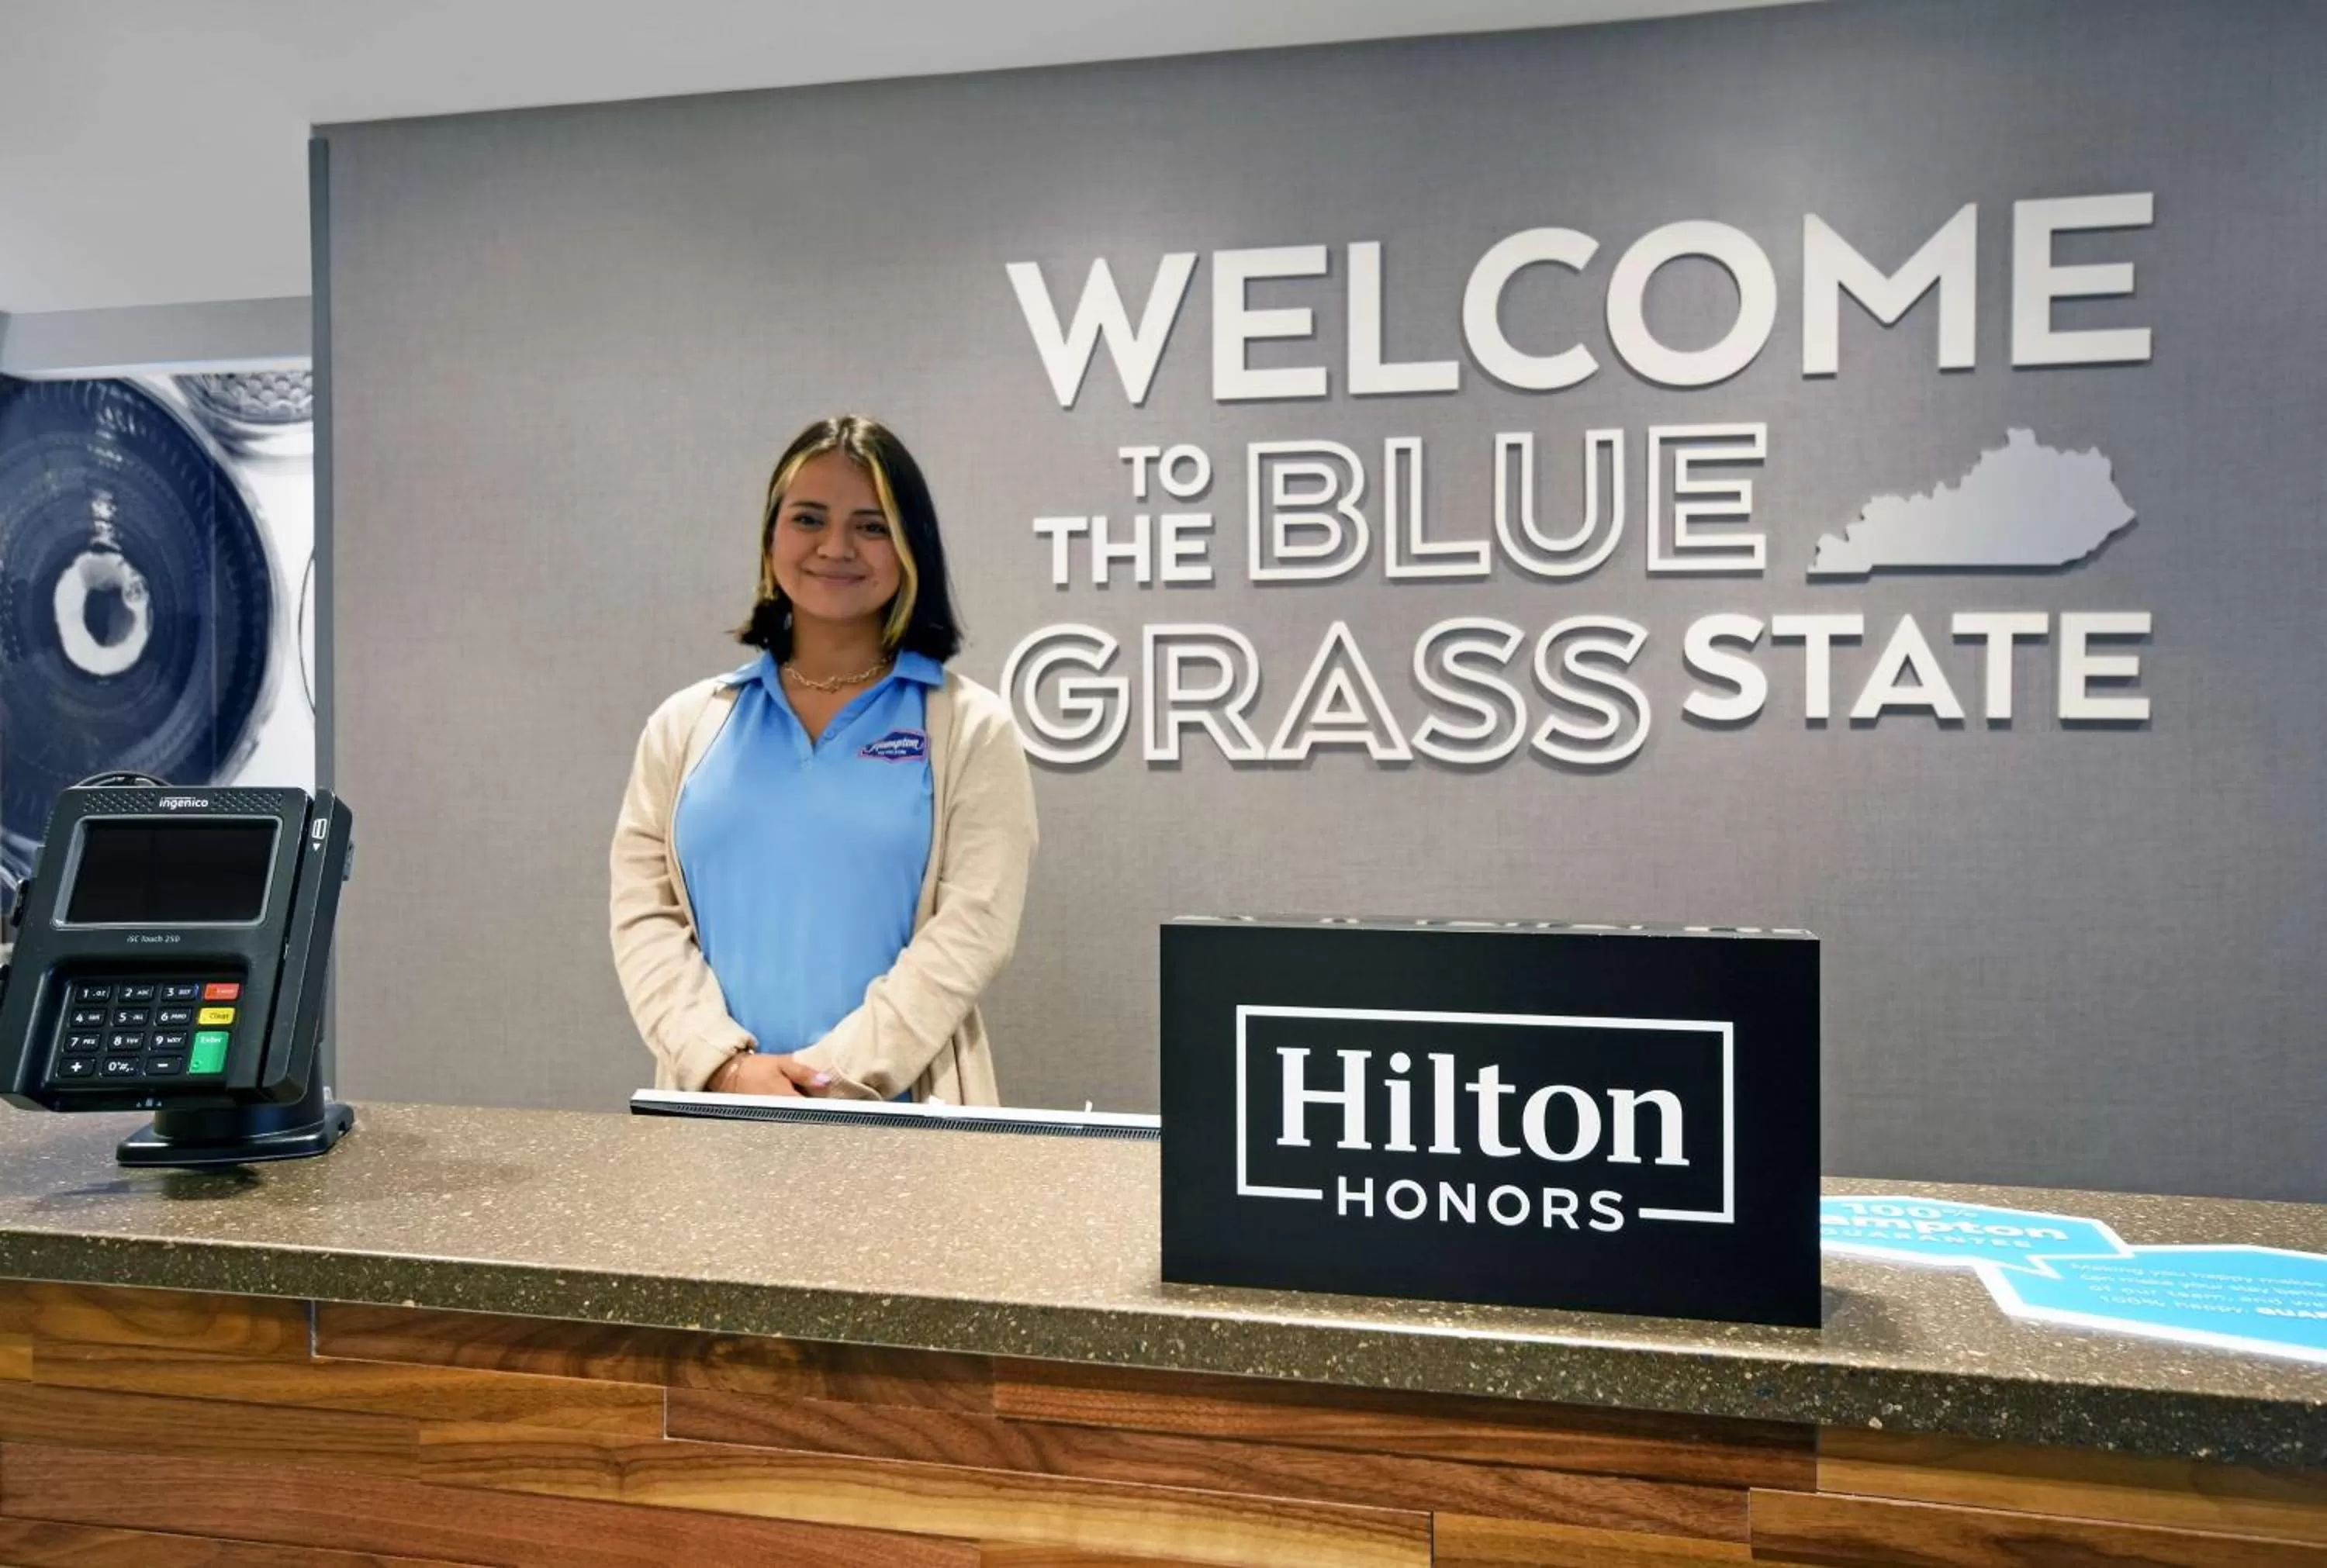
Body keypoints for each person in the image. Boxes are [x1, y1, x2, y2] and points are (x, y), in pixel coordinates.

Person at [609, 415, 1036, 1104]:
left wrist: (824, 1079)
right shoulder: (684, 727)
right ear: (771, 537)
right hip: (718, 1115)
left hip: (899, 1120)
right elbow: (645, 921)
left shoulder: (970, 729)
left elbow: (973, 933)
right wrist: (726, 1066)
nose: (836, 547)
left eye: (871, 526)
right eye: (809, 518)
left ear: (910, 547)